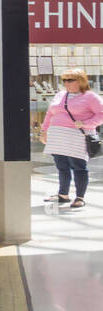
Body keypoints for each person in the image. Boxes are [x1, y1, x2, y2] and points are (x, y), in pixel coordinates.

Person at [40, 67, 103, 209]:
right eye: (64, 80)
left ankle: (79, 197)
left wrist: (86, 123)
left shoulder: (90, 97)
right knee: (61, 166)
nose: (66, 83)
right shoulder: (61, 94)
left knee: (78, 167)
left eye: (70, 80)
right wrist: (44, 131)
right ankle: (63, 194)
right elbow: (50, 113)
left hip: (76, 137)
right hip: (57, 136)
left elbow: (101, 114)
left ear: (81, 81)